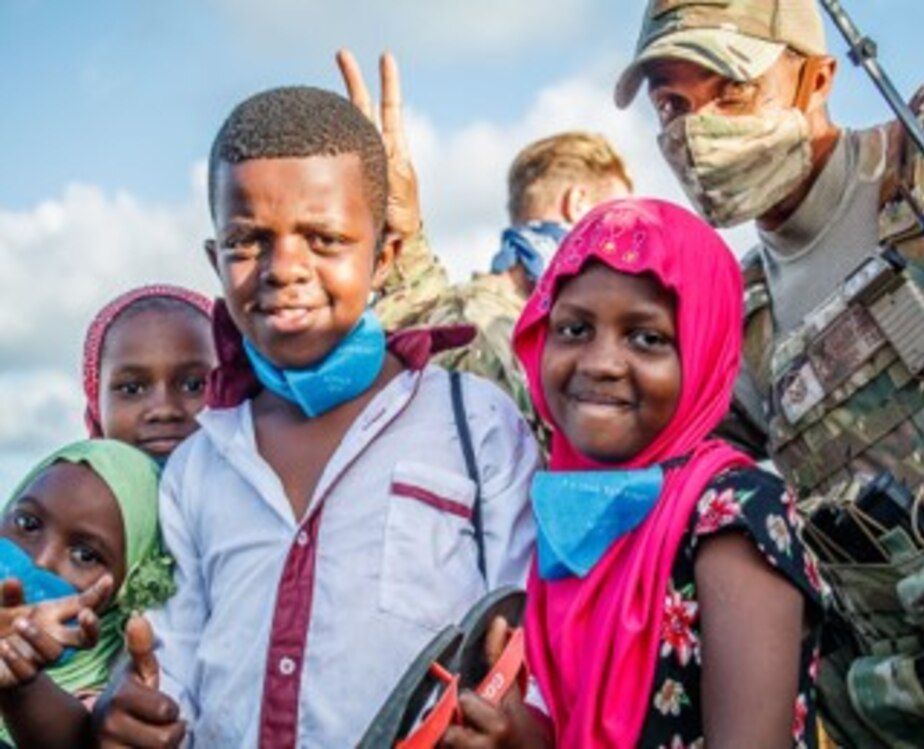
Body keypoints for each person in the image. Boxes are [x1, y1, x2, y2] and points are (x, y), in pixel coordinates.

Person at [616, 2, 924, 744]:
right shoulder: (732, 329)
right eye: (673, 104)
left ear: (818, 77)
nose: (696, 131)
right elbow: (615, 473)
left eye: (731, 91)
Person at [93, 85, 537, 748]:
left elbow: (534, 640)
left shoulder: (474, 425)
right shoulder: (200, 461)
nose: (283, 269)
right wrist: (130, 710)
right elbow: (175, 664)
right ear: (215, 261)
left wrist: (522, 728)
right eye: (248, 243)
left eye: (325, 239)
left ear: (384, 256)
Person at [441, 198, 825, 748]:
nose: (600, 362)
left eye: (647, 338)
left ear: (704, 350)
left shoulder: (733, 518)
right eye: (573, 329)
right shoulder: (563, 515)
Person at [337, 50, 633, 446]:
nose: (627, 248)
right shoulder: (487, 325)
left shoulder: (500, 320)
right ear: (578, 204)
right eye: (621, 221)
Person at [0, 440, 172, 748]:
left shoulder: (105, 712)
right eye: (28, 523)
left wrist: (20, 681)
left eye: (85, 555)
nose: (41, 561)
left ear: (124, 589)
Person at [82, 285, 216, 462]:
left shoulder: (260, 482)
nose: (164, 410)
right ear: (96, 402)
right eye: (132, 389)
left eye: (193, 386)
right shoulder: (63, 487)